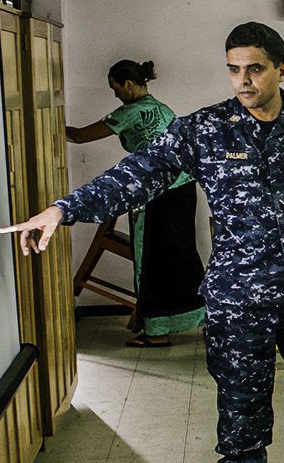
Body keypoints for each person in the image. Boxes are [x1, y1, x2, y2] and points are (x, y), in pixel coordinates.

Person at [1, 22, 284, 463]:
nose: (242, 81)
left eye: (254, 69)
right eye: (233, 69)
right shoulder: (205, 129)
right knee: (241, 400)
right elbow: (137, 173)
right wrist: (63, 210)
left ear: (281, 70)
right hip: (237, 296)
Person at [65, 59, 205, 347]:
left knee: (150, 258)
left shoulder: (129, 113)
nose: (115, 94)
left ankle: (156, 332)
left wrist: (49, 122)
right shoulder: (164, 109)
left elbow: (79, 136)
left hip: (155, 193)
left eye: (115, 88)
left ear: (128, 84)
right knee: (180, 256)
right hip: (184, 188)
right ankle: (196, 318)